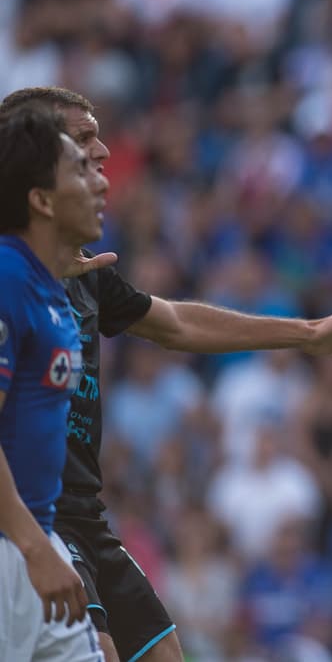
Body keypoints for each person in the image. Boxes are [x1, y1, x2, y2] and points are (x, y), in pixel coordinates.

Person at [0, 85, 332, 662]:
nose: (103, 158)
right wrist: (30, 541)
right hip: (30, 521)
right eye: (81, 148)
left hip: (79, 513)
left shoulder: (82, 275)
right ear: (40, 183)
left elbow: (176, 323)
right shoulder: (13, 276)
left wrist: (305, 334)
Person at [0, 104, 107, 661]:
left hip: (39, 545)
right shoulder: (6, 281)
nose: (101, 179)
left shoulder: (52, 290)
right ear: (41, 200)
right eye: (80, 171)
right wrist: (31, 546)